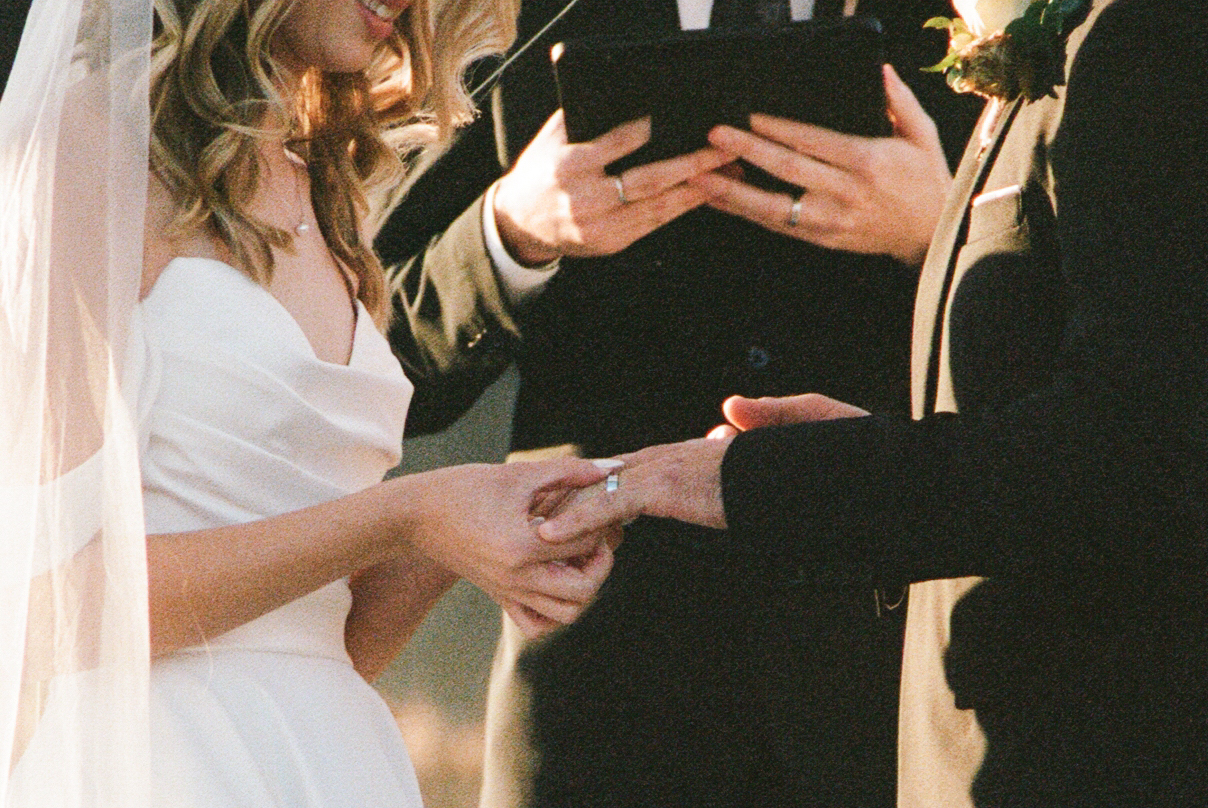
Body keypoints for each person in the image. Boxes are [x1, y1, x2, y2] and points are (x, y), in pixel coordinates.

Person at [542, 0, 1208, 805]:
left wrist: (758, 482)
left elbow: (1136, 456)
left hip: (1102, 758)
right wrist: (856, 450)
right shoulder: (1049, 54)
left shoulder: (1150, 39)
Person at [0, 0, 619, 805]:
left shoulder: (325, 187)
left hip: (332, 762)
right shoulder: (80, 146)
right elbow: (51, 604)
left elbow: (321, 636)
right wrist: (407, 515)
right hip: (156, 769)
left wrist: (472, 532)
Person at [376, 2, 983, 807]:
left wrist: (936, 232)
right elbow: (367, 359)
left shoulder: (977, 17)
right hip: (598, 676)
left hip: (898, 680)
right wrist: (510, 234)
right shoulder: (519, 16)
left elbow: (1108, 364)